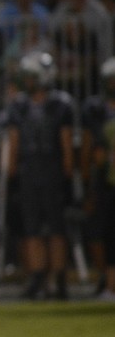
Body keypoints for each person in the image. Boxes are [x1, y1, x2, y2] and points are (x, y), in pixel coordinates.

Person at [6, 51, 75, 300]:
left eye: (31, 76)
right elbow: (14, 143)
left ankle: (58, 277)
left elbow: (65, 143)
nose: (28, 81)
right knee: (31, 228)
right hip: (29, 171)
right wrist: (13, 176)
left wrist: (68, 177)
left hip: (52, 170)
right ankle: (37, 276)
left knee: (56, 227)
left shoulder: (60, 104)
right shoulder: (19, 106)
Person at [79, 57, 115, 300]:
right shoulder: (96, 110)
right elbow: (93, 152)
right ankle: (107, 280)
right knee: (101, 234)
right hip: (105, 182)